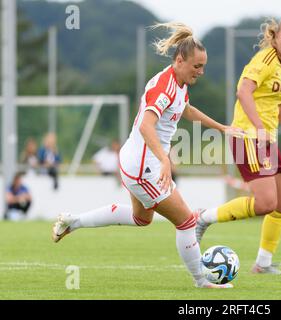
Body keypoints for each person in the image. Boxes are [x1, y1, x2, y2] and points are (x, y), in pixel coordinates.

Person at [51, 22, 241, 289]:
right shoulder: (164, 86)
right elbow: (145, 125)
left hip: (135, 162)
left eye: (203, 66)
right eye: (197, 66)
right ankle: (201, 281)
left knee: (142, 219)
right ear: (179, 60)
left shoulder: (178, 82)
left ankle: (74, 221)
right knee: (187, 222)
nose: (201, 71)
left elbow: (187, 110)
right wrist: (165, 159)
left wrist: (222, 128)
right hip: (144, 167)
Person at [195, 17, 281, 274]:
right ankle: (202, 218)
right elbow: (243, 92)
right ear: (275, 36)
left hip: (266, 139)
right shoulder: (265, 60)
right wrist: (258, 128)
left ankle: (263, 264)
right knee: (266, 203)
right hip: (248, 137)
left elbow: (278, 103)